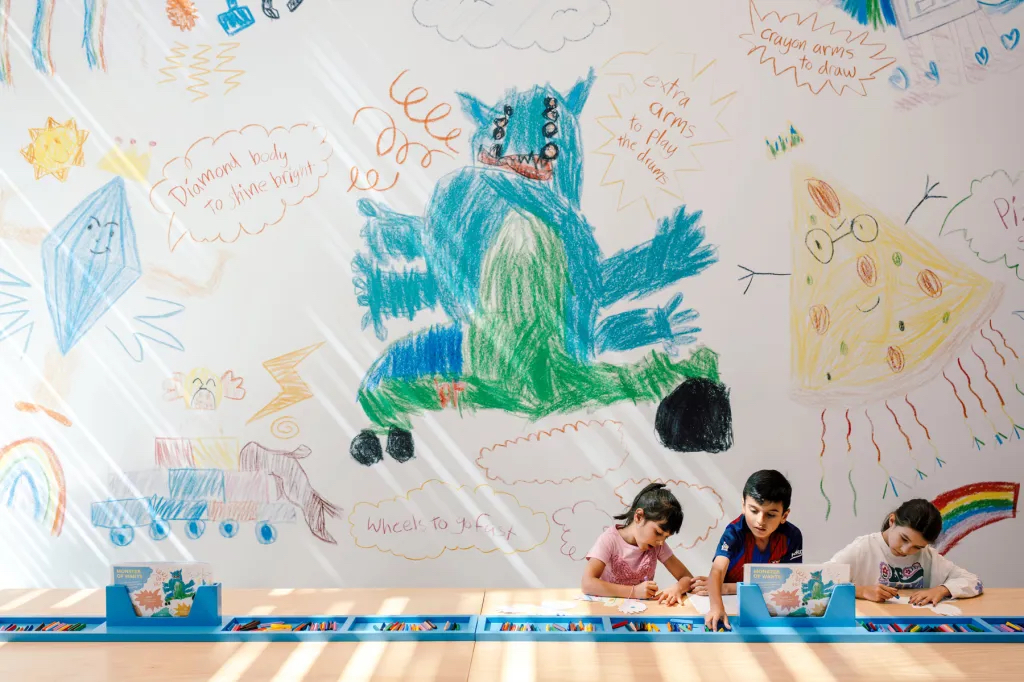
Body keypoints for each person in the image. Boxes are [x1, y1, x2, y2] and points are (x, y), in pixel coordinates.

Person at [828, 498, 983, 604]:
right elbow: (818, 581)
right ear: (892, 521)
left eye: (917, 546)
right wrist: (861, 591)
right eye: (904, 539)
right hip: (871, 626)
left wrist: (942, 590)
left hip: (912, 627)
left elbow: (974, 582)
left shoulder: (927, 556)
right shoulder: (863, 549)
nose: (906, 550)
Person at [705, 470, 802, 630]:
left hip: (768, 608)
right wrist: (716, 607)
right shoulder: (734, 532)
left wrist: (730, 587)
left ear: (784, 515)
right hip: (732, 605)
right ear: (743, 506)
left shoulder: (792, 536)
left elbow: (789, 583)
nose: (760, 521)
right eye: (754, 511)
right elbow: (717, 571)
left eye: (770, 514)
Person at [582, 482, 705, 605]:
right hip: (609, 610)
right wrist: (634, 591)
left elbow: (688, 577)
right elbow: (587, 584)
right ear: (639, 517)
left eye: (666, 537)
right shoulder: (609, 540)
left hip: (642, 612)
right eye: (658, 532)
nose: (661, 541)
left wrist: (678, 588)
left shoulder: (657, 545)